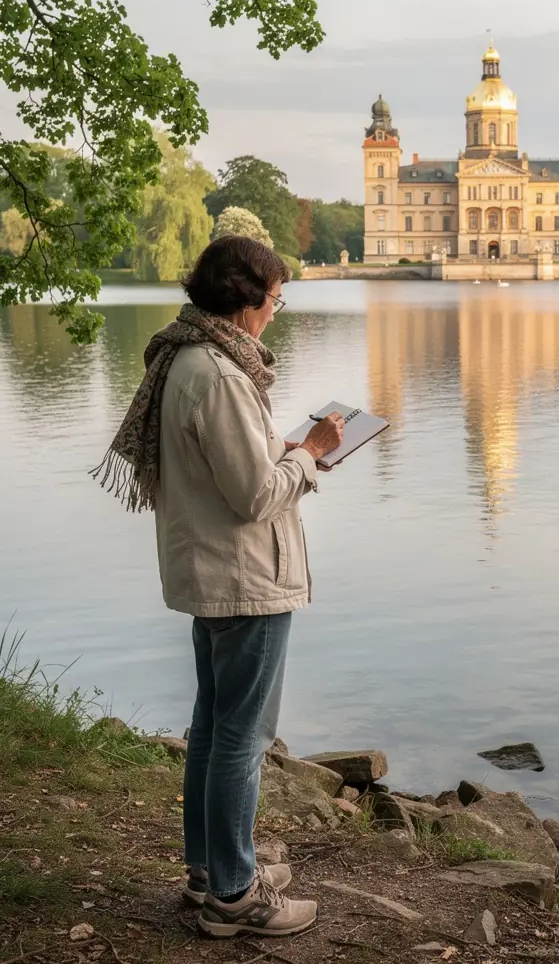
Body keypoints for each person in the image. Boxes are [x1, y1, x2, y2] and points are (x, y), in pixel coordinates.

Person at [93, 236, 345, 938]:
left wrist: (286, 450)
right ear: (245, 299)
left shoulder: (184, 355)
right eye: (275, 299)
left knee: (211, 729)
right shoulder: (222, 375)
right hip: (245, 576)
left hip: (210, 568)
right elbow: (257, 496)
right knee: (240, 736)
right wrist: (314, 457)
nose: (276, 312)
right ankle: (235, 896)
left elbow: (231, 468)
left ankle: (211, 867)